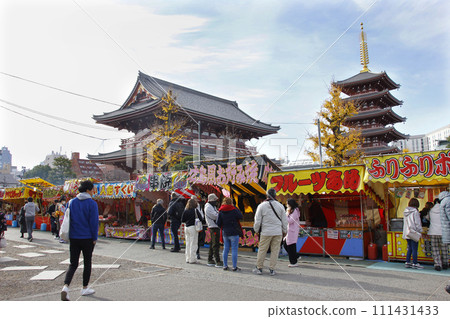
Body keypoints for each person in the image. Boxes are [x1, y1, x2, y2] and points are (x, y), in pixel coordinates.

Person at [61, 180, 99, 301]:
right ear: (88, 190)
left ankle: (66, 287)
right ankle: (84, 287)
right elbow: (94, 223)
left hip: (74, 237)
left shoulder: (71, 202)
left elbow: (67, 218)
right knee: (87, 262)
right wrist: (94, 238)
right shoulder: (92, 204)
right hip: (87, 237)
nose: (93, 192)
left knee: (73, 264)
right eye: (92, 189)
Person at [253, 188, 288, 276]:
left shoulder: (261, 206)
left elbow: (257, 221)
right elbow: (284, 220)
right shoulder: (280, 206)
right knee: (275, 251)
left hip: (266, 232)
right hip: (277, 231)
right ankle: (272, 269)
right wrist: (285, 231)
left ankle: (259, 267)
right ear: (275, 195)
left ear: (267, 195)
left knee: (262, 250)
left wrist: (256, 230)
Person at [217, 197, 243, 271]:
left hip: (225, 232)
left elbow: (218, 223)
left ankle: (225, 265)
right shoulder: (234, 210)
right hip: (234, 232)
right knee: (234, 250)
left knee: (225, 249)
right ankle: (234, 267)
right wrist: (234, 207)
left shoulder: (221, 211)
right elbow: (240, 216)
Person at [402, 198, 423, 269]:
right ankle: (415, 263)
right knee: (414, 248)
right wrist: (420, 230)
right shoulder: (415, 212)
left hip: (407, 232)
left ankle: (407, 262)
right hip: (413, 232)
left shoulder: (405, 211)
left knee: (410, 248)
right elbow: (417, 223)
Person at [428, 198, 448, 271]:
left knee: (435, 249)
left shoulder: (431, 210)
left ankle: (437, 264)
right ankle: (445, 263)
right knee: (444, 248)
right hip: (443, 232)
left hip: (433, 231)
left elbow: (428, 219)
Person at [205, 193, 223, 267]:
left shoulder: (212, 206)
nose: (216, 202)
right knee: (215, 244)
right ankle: (217, 260)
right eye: (215, 201)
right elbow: (215, 216)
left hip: (215, 226)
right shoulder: (208, 207)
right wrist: (220, 215)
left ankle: (210, 259)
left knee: (212, 243)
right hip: (213, 226)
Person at [181, 198, 200, 264]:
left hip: (186, 227)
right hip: (193, 227)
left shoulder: (186, 210)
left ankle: (187, 258)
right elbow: (201, 218)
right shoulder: (195, 210)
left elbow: (182, 220)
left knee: (188, 243)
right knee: (193, 243)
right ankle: (192, 259)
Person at [283, 198, 301, 267]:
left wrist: (285, 215)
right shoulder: (291, 210)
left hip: (293, 231)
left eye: (287, 204)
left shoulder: (295, 211)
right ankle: (295, 256)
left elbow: (290, 220)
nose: (287, 205)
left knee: (291, 246)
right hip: (290, 231)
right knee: (285, 244)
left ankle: (293, 262)